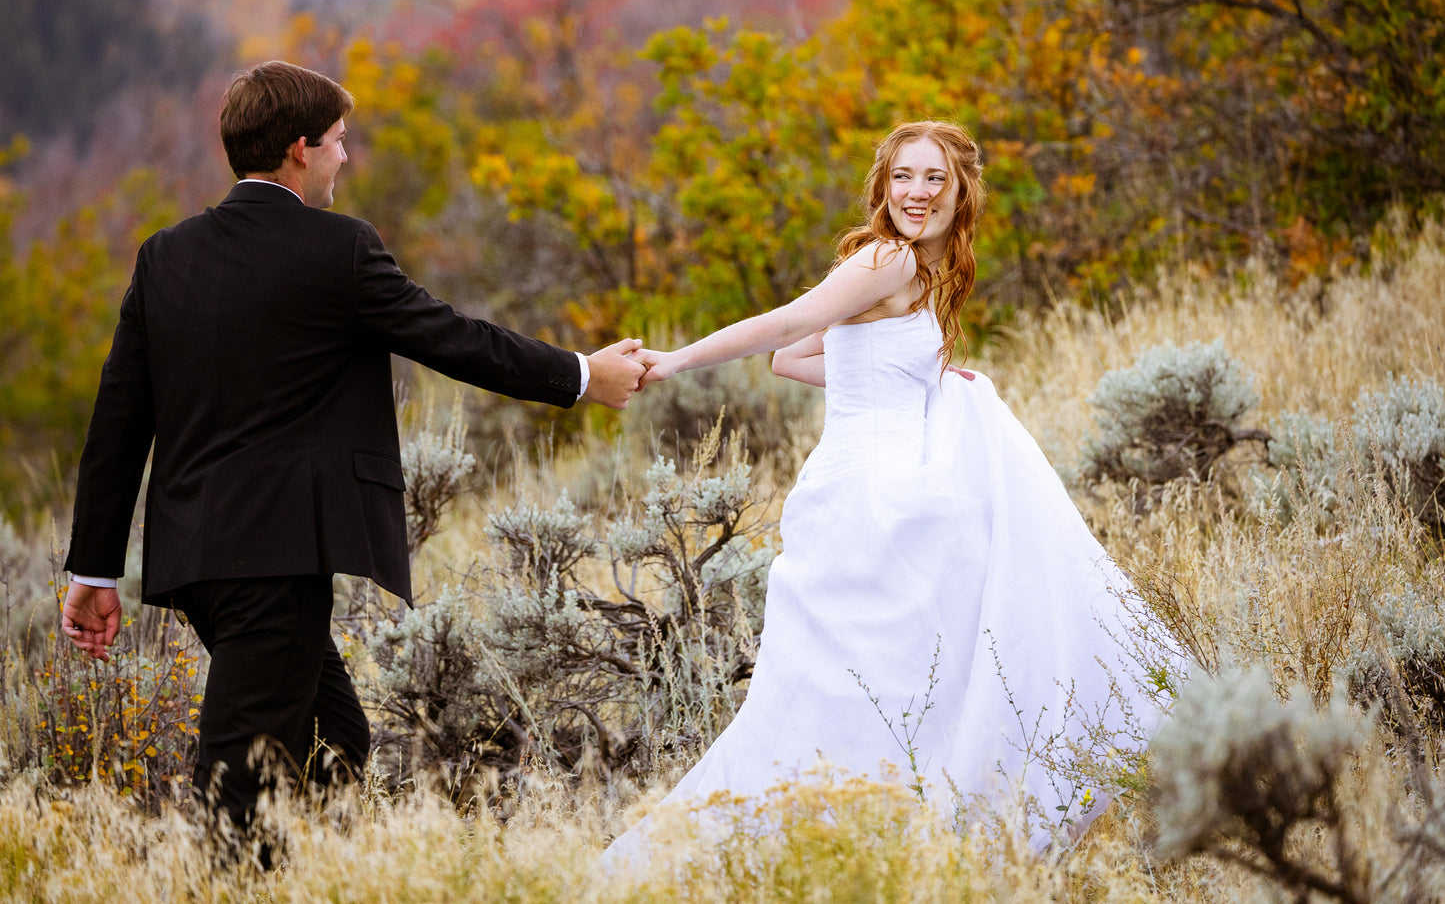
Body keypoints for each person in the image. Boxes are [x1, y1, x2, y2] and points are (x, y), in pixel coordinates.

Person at [58, 60, 647, 855]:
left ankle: (323, 875)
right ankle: (232, 879)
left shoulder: (166, 255)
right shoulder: (336, 249)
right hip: (274, 558)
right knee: (240, 788)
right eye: (339, 142)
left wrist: (93, 570)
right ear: (299, 150)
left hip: (199, 559)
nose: (347, 157)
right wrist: (582, 375)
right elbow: (452, 337)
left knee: (337, 735)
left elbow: (117, 421)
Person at [610, 120, 1154, 861]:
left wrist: (915, 376)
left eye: (934, 178)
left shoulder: (924, 271)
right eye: (903, 176)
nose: (917, 192)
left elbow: (794, 361)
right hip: (870, 493)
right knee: (854, 680)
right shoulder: (888, 258)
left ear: (960, 190)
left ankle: (861, 843)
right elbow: (792, 326)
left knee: (876, 679)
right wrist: (676, 361)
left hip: (886, 488)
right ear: (883, 185)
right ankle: (767, 841)